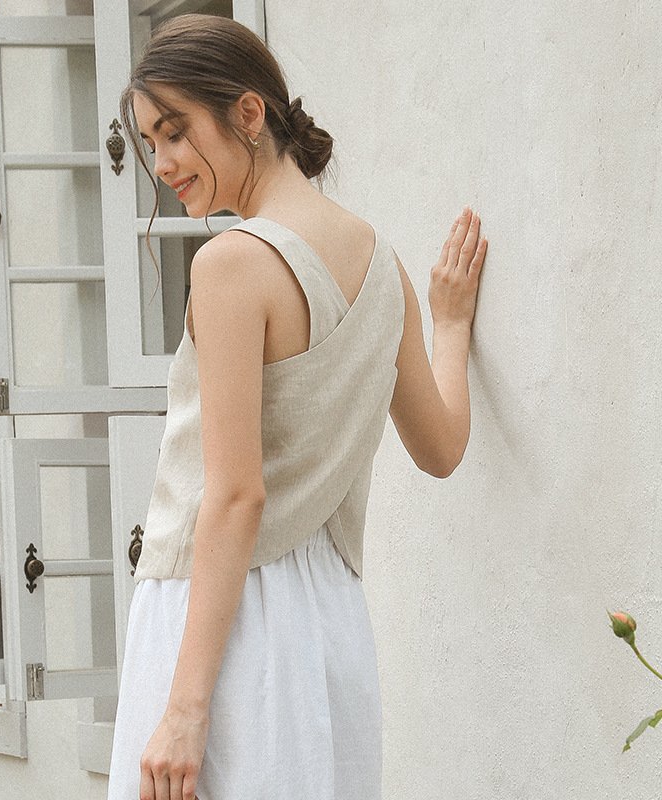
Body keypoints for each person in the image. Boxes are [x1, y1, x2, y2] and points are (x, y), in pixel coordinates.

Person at [107, 13, 487, 800]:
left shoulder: (231, 265)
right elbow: (443, 448)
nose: (162, 164)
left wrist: (184, 710)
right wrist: (450, 328)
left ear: (249, 113)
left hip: (219, 629)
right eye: (149, 142)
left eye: (174, 132)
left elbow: (236, 495)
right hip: (328, 629)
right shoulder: (384, 271)